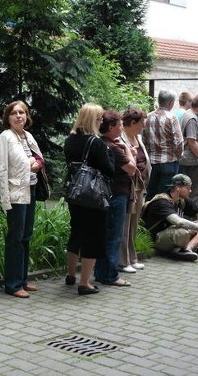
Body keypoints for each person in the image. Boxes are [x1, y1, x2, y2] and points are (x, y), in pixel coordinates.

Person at [63, 104, 115, 295]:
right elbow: (109, 170)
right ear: (92, 119)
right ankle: (85, 283)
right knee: (93, 237)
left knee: (76, 232)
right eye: (100, 119)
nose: (101, 122)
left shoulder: (70, 140)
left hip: (75, 193)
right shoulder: (96, 143)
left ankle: (70, 275)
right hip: (93, 196)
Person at [0, 101, 44, 298]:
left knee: (26, 236)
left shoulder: (27, 136)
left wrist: (36, 163)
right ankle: (13, 284)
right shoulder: (5, 137)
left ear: (27, 115)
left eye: (22, 112)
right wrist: (5, 199)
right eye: (14, 113)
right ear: (8, 117)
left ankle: (23, 280)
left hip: (30, 190)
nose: (18, 116)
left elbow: (40, 159)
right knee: (15, 238)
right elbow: (2, 170)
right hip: (15, 193)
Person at [94, 110, 136, 287]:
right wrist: (126, 147)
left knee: (105, 234)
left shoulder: (101, 143)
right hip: (117, 194)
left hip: (105, 194)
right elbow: (132, 169)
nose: (121, 128)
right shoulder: (115, 148)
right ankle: (110, 275)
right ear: (111, 127)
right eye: (119, 125)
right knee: (114, 236)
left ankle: (100, 272)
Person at [141, 174, 198, 261]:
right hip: (155, 239)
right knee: (183, 233)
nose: (190, 190)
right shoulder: (162, 202)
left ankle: (187, 249)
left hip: (171, 232)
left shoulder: (181, 200)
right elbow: (179, 222)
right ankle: (182, 250)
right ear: (178, 187)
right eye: (188, 188)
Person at [118, 107, 149, 274]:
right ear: (132, 123)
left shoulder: (138, 137)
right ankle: (123, 261)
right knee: (125, 224)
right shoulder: (121, 137)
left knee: (134, 224)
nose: (143, 125)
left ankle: (132, 257)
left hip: (140, 186)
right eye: (141, 122)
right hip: (128, 186)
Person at [143, 89, 184, 200]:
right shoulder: (171, 117)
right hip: (169, 162)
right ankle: (161, 217)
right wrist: (178, 156)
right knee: (165, 196)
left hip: (151, 163)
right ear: (170, 102)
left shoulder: (148, 117)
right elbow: (178, 142)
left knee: (151, 193)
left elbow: (144, 140)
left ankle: (147, 216)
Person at [178, 94, 198, 204]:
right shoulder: (192, 119)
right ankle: (191, 215)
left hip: (190, 159)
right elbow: (192, 141)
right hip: (192, 160)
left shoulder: (190, 115)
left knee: (188, 188)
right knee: (193, 190)